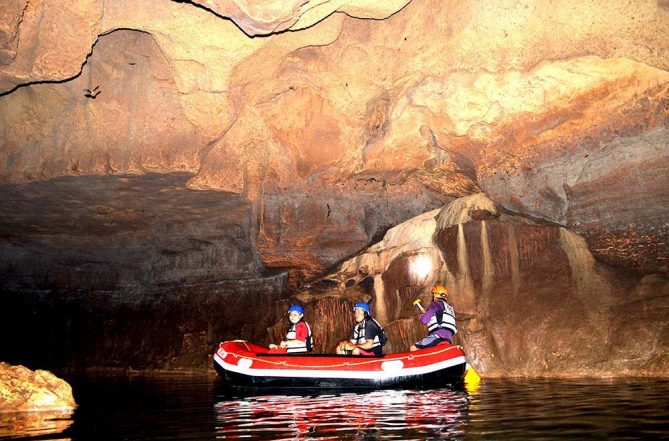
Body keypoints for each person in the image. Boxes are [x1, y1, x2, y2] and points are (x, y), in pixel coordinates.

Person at [410, 284, 457, 352]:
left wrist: (421, 316)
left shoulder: (435, 304)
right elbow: (440, 317)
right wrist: (428, 312)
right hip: (448, 339)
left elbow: (424, 320)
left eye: (433, 295)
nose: (432, 297)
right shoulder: (449, 308)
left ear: (436, 295)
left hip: (437, 337)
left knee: (413, 348)